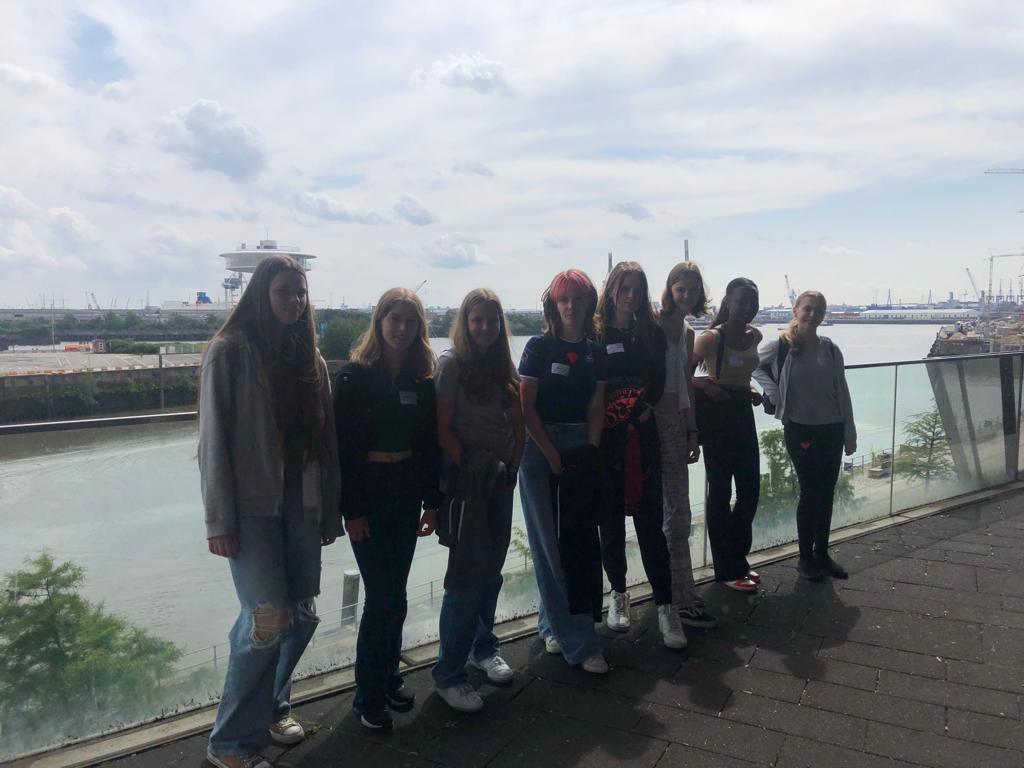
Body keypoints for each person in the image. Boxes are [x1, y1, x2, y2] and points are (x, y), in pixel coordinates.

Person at [199, 255, 341, 768]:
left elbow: (327, 441)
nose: (294, 301)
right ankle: (229, 744)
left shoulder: (310, 358)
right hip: (252, 507)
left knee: (300, 617)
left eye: (300, 293)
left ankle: (273, 708)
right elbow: (213, 440)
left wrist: (331, 510)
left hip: (302, 501)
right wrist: (219, 520)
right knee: (267, 618)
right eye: (284, 291)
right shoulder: (230, 351)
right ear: (260, 293)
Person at [334, 288, 441, 731]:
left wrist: (432, 503)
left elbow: (429, 447)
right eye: (394, 318)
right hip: (370, 495)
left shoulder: (421, 381)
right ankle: (368, 695)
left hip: (406, 493)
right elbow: (343, 451)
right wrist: (352, 511)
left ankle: (389, 675)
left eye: (410, 321)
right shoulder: (354, 379)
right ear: (378, 322)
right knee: (381, 598)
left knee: (395, 594)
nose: (402, 328)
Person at [431, 288, 525, 712]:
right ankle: (448, 674)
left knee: (491, 573)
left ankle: (483, 648)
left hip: (500, 481)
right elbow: (442, 428)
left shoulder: (503, 365)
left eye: (492, 320)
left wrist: (513, 464)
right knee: (466, 577)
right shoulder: (451, 364)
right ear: (465, 323)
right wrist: (470, 467)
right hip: (469, 485)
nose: (485, 328)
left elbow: (517, 420)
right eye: (477, 320)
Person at [518, 269, 609, 674]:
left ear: (590, 303)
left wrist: (591, 449)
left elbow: (596, 404)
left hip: (579, 444)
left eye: (578, 298)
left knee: (577, 544)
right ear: (554, 305)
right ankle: (582, 644)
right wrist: (552, 455)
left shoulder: (595, 352)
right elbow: (526, 408)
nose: (571, 306)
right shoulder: (538, 348)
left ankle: (551, 625)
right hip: (540, 449)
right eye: (563, 299)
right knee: (549, 546)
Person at [595, 261, 687, 649]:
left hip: (644, 434)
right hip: (607, 437)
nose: (630, 296)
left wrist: (639, 406)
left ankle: (666, 605)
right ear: (612, 289)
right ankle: (618, 593)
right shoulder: (597, 332)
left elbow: (660, 382)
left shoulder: (652, 332)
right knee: (610, 522)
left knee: (650, 522)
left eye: (636, 289)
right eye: (624, 288)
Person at [753, 290, 857, 581]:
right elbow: (753, 365)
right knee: (810, 492)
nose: (813, 314)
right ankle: (805, 558)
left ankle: (822, 554)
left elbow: (842, 391)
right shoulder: (781, 345)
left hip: (832, 428)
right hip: (800, 428)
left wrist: (850, 433)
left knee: (826, 492)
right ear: (796, 311)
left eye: (819, 310)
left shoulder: (830, 349)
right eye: (808, 308)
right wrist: (773, 392)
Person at [692, 277, 764, 592]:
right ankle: (726, 569)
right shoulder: (711, 338)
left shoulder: (755, 335)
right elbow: (682, 375)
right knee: (721, 491)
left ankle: (737, 558)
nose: (747, 307)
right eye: (741, 301)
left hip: (743, 411)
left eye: (753, 302)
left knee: (750, 489)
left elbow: (743, 372)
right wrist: (705, 385)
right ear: (727, 302)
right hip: (718, 414)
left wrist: (750, 389)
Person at [657, 262, 718, 628]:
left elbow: (685, 385)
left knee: (678, 515)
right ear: (669, 289)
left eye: (693, 290)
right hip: (650, 425)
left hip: (676, 424)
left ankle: (679, 596)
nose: (686, 295)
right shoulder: (652, 324)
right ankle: (672, 597)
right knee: (661, 513)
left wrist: (693, 431)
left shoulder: (688, 331)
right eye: (681, 288)